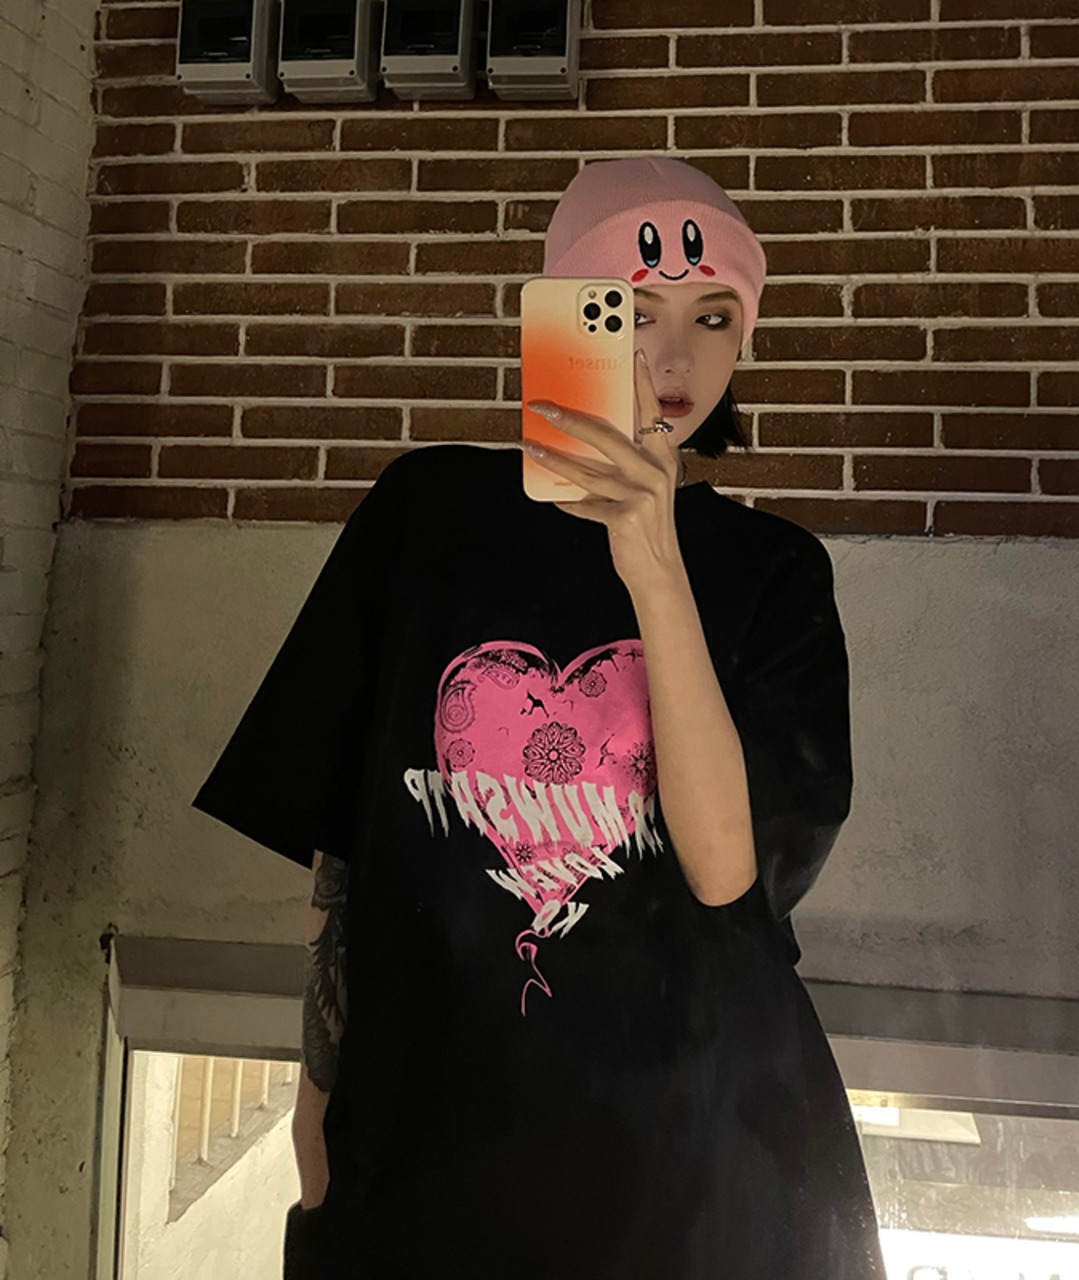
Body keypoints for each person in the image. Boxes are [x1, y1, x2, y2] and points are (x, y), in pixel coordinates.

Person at [192, 155, 887, 1280]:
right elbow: (345, 846)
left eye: (715, 317)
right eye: (633, 310)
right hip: (427, 1163)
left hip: (714, 1180)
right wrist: (317, 1103)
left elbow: (727, 874)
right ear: (563, 318)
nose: (676, 358)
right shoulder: (424, 515)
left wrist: (655, 569)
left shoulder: (775, 572)